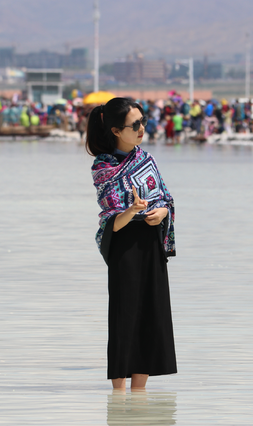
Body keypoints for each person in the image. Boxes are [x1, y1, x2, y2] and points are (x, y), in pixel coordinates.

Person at [86, 98, 177, 391]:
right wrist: (132, 210)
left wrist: (162, 212)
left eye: (143, 122)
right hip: (124, 246)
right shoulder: (103, 167)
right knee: (124, 316)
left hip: (151, 244)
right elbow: (111, 219)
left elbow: (165, 198)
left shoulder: (146, 159)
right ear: (115, 130)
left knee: (152, 314)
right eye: (134, 124)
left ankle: (139, 394)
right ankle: (118, 396)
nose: (142, 129)